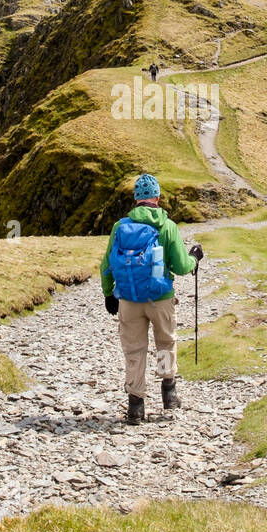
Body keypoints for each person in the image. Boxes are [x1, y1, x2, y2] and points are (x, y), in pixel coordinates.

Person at [100, 173, 203, 424]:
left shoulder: (120, 226)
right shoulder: (167, 226)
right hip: (161, 297)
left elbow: (106, 264)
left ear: (136, 199)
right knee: (165, 342)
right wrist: (195, 258)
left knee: (134, 350)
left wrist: (109, 294)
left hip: (128, 299)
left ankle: (136, 406)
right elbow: (180, 266)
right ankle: (169, 392)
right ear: (157, 197)